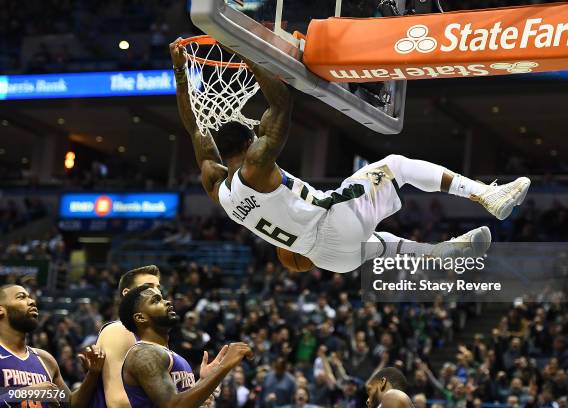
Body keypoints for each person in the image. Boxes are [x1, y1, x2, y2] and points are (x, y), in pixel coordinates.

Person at [170, 38, 530, 274]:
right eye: (257, 132)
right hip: (329, 224)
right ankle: (484, 193)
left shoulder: (220, 190)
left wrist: (181, 75)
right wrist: (246, 48)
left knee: (383, 246)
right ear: (251, 143)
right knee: (395, 167)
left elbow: (195, 130)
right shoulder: (256, 164)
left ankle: (437, 254)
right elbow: (281, 103)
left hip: (327, 258)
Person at [119, 285, 253, 408]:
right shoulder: (143, 354)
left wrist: (204, 382)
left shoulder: (165, 353)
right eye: (156, 300)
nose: (167, 302)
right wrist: (225, 366)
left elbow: (182, 401)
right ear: (140, 318)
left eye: (163, 298)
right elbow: (174, 405)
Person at [0, 284, 105, 407]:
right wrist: (25, 393)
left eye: (30, 297)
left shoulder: (45, 359)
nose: (32, 301)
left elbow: (70, 404)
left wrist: (92, 374)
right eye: (21, 297)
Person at [92, 265, 162, 408]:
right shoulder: (119, 330)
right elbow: (117, 402)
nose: (157, 292)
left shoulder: (152, 339)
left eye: (158, 287)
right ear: (127, 293)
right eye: (148, 286)